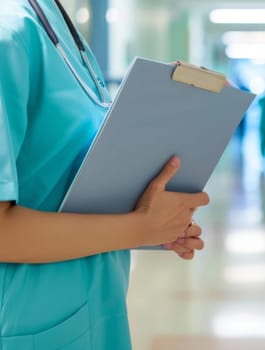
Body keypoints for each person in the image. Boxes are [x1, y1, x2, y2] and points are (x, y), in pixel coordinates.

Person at [0, 0, 209, 348]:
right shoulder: (9, 34)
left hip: (91, 307)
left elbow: (54, 182)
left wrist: (153, 222)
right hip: (26, 321)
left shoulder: (61, 31)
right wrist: (136, 227)